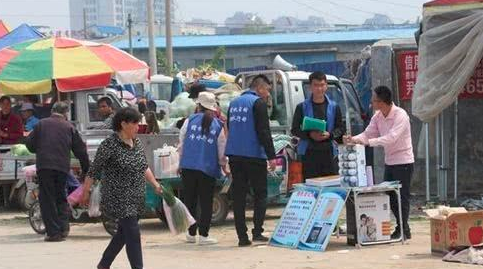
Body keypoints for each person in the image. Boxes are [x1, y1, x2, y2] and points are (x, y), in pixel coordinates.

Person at [81, 107, 162, 269]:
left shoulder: (136, 143)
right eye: (135, 124)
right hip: (118, 197)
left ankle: (104, 264)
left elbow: (144, 166)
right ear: (123, 124)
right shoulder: (109, 144)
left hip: (136, 196)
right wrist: (85, 192)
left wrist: (155, 184)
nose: (138, 127)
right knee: (133, 234)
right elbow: (93, 170)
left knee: (123, 234)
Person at [344, 85, 414, 240]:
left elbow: (391, 138)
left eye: (374, 100)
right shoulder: (377, 116)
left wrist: (369, 142)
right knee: (390, 194)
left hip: (404, 161)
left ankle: (403, 228)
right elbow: (368, 133)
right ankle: (403, 227)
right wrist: (354, 139)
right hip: (390, 161)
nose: (371, 103)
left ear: (382, 102)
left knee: (402, 196)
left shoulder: (400, 115)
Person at [25, 102, 90, 242]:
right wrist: (86, 169)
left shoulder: (41, 124)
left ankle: (54, 233)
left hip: (45, 167)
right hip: (62, 168)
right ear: (66, 113)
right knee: (61, 197)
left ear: (52, 111)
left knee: (47, 199)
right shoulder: (69, 127)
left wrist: (41, 147)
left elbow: (29, 145)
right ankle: (63, 229)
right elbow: (80, 150)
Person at [225, 74, 277, 247]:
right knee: (260, 194)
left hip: (234, 155)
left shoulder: (233, 104)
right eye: (267, 90)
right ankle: (257, 232)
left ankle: (242, 237)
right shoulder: (258, 103)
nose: (268, 94)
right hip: (254, 155)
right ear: (260, 88)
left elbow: (231, 128)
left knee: (239, 196)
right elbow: (264, 132)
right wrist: (271, 156)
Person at [178, 92, 228, 245]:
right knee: (206, 202)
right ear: (213, 108)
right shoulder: (217, 125)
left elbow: (181, 143)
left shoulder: (189, 121)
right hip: (207, 169)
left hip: (188, 167)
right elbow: (221, 149)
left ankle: (191, 233)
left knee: (190, 201)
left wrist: (180, 163)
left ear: (198, 105)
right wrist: (223, 165)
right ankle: (204, 235)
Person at [291, 71, 345, 180]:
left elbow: (341, 128)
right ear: (310, 87)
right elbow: (295, 130)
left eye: (322, 85)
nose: (319, 89)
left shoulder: (334, 107)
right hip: (309, 153)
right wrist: (310, 135)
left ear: (326, 86)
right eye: (316, 85)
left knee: (330, 185)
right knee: (310, 186)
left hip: (329, 153)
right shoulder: (301, 107)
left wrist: (330, 135)